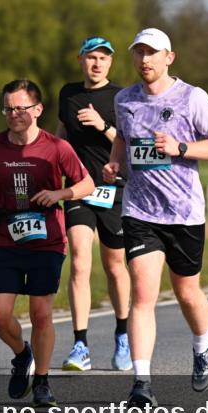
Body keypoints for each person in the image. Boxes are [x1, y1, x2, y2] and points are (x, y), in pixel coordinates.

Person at [103, 28, 208, 407]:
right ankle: (141, 384)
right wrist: (114, 162)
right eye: (139, 52)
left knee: (187, 292)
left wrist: (181, 147)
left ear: (169, 57)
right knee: (143, 294)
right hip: (140, 211)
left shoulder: (193, 97)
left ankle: (203, 343)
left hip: (184, 212)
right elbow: (122, 138)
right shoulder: (124, 99)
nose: (145, 60)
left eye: (152, 53)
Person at [0, 79, 94, 407]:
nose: (14, 114)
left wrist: (59, 193)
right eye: (8, 109)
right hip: (5, 240)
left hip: (46, 241)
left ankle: (41, 381)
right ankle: (21, 354)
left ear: (37, 110)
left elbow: (87, 184)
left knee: (41, 314)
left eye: (21, 108)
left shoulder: (57, 147)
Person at [56, 36, 132, 372]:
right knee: (79, 262)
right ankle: (80, 345)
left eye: (103, 57)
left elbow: (129, 142)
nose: (97, 63)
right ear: (80, 60)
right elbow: (61, 133)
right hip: (78, 189)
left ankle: (123, 334)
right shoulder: (68, 94)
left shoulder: (122, 97)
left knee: (115, 266)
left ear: (110, 62)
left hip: (113, 189)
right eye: (91, 57)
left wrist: (103, 126)